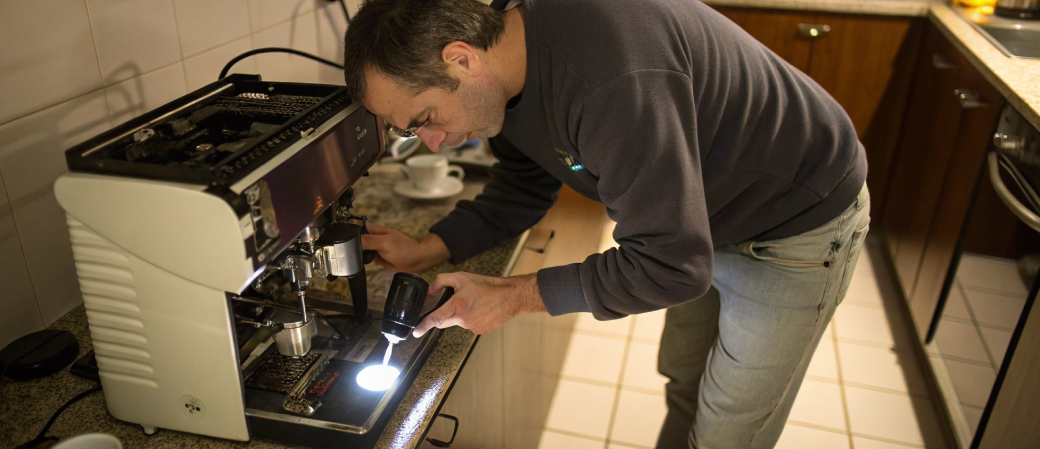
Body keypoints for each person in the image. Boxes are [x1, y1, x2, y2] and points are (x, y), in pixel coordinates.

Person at [345, 0, 870, 447]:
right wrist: (431, 245)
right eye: (411, 132)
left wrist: (513, 296)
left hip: (796, 214)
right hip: (705, 216)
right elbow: (523, 185)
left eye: (424, 120)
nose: (433, 142)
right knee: (685, 384)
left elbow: (670, 267)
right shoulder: (507, 66)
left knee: (727, 430)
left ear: (461, 59)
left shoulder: (609, 80)